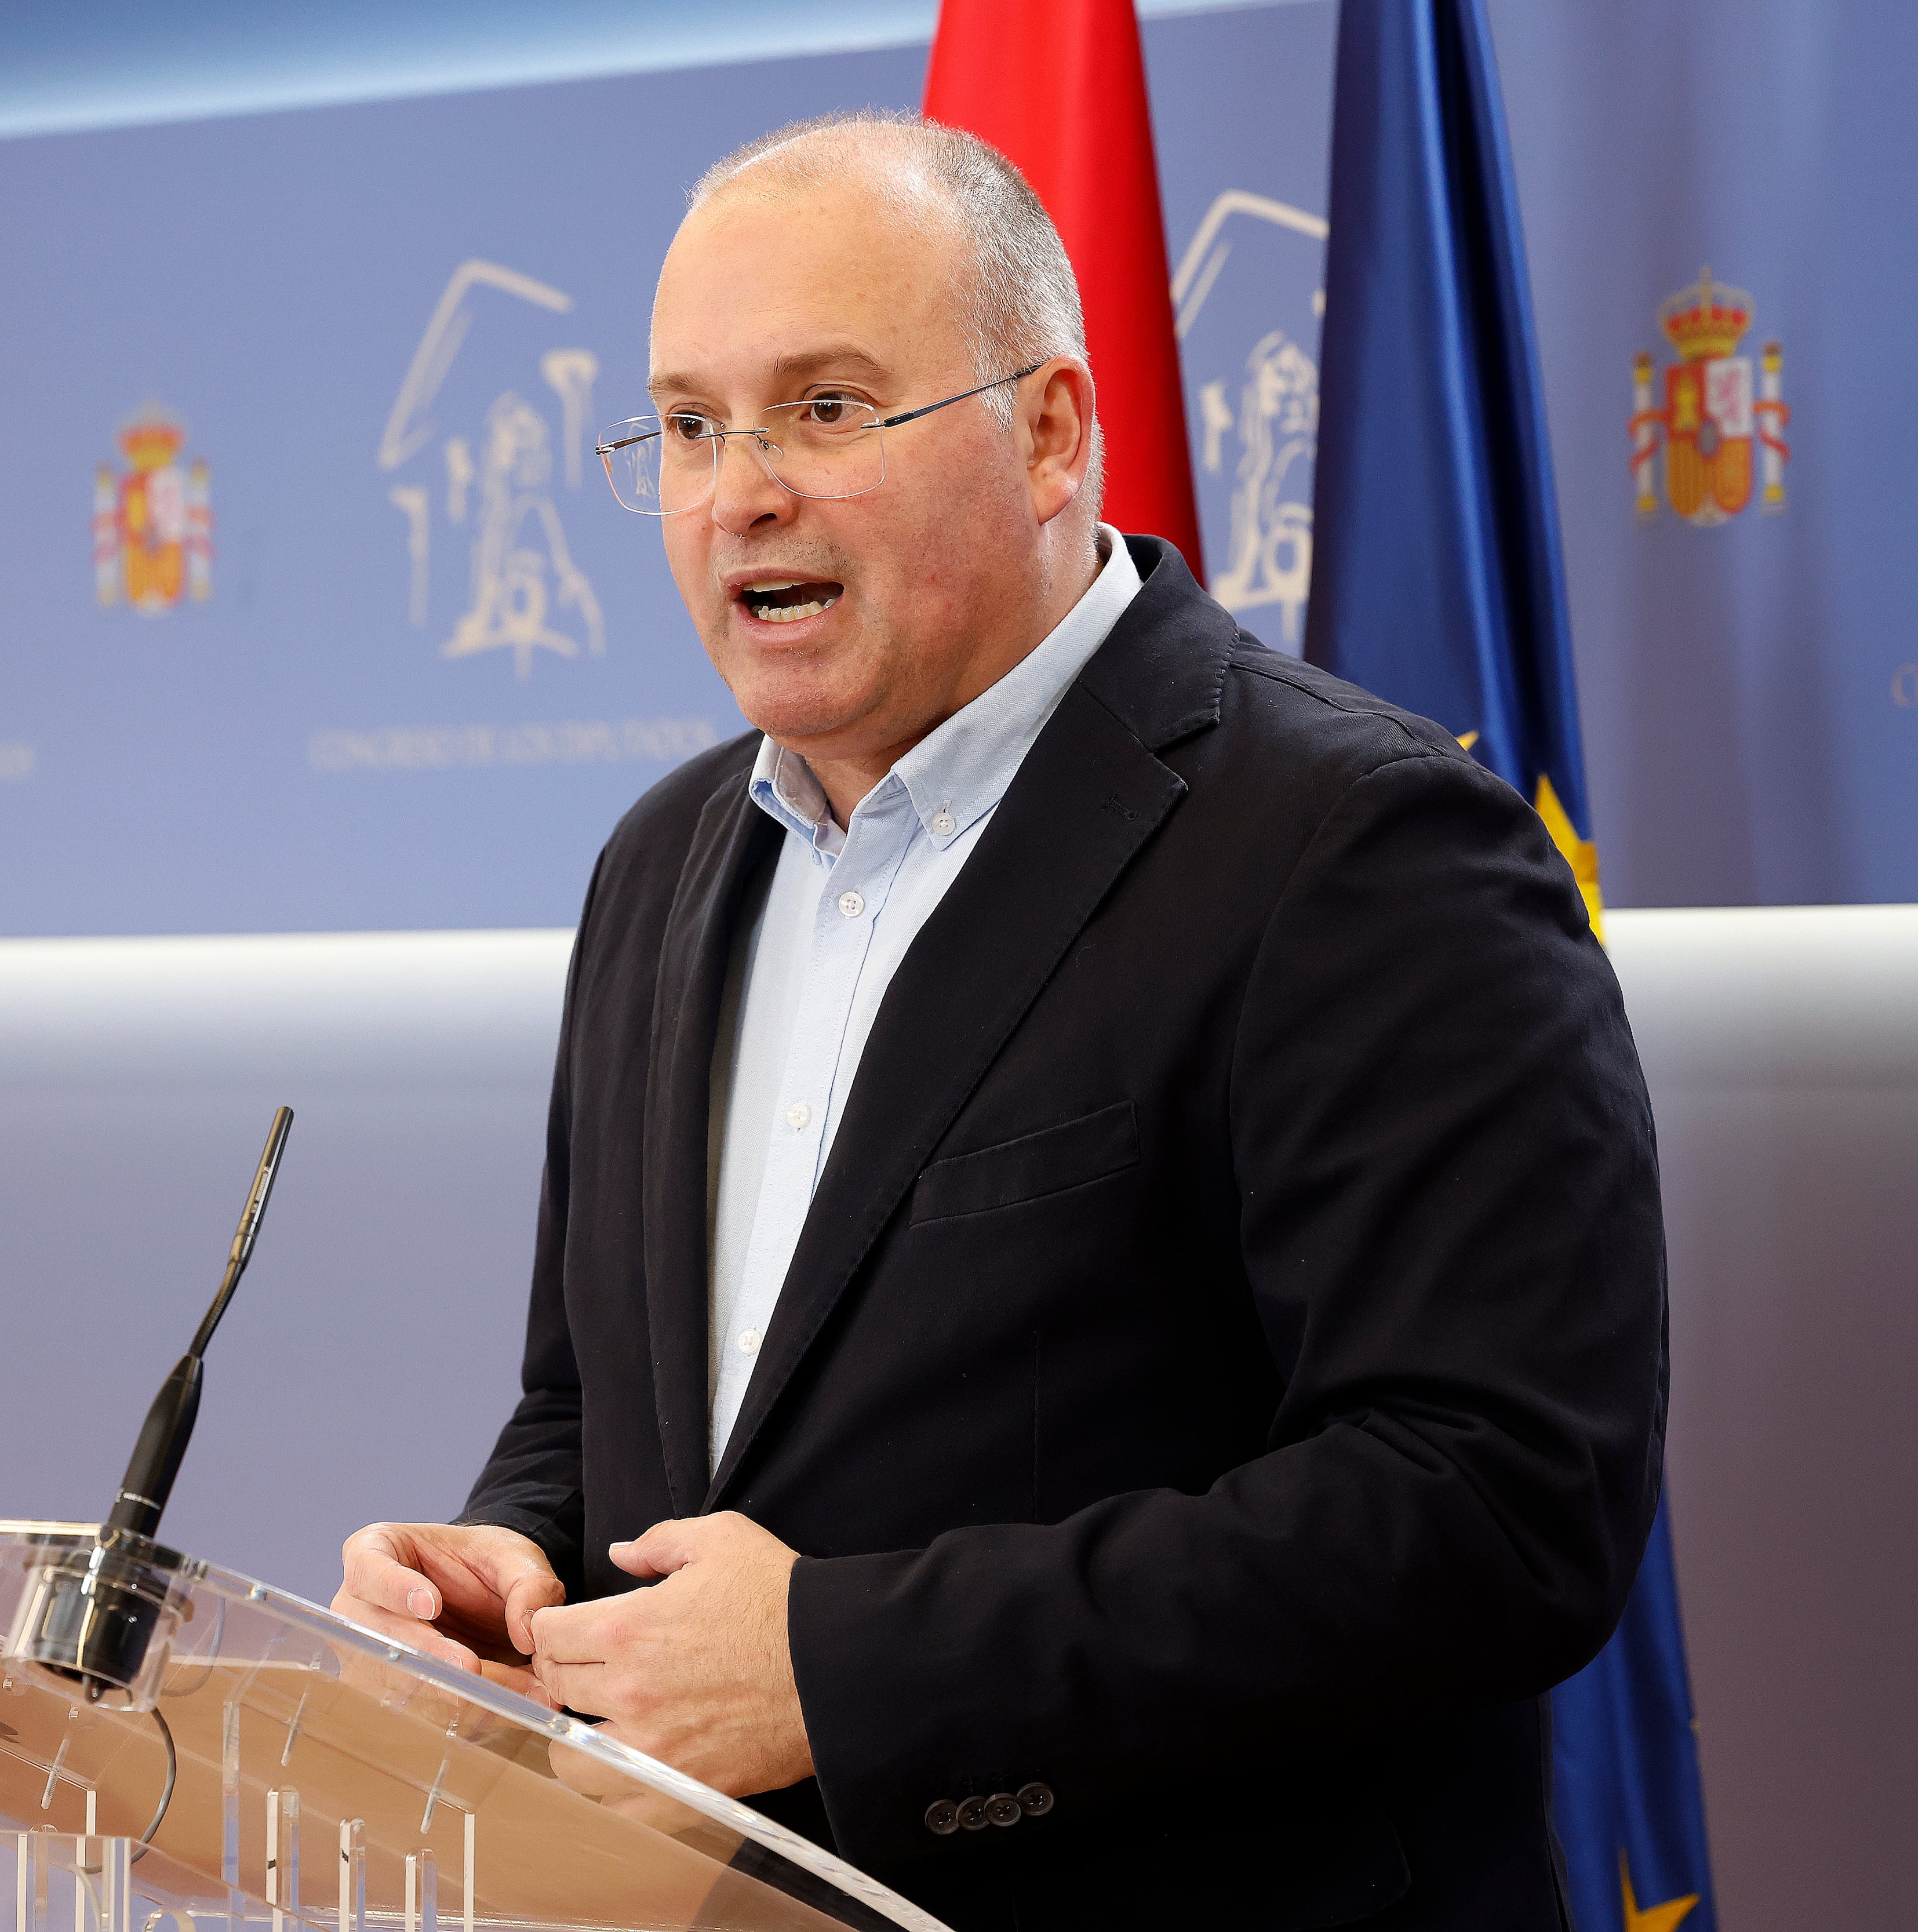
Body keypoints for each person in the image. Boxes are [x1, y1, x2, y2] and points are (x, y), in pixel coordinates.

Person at [334, 110, 1665, 1932]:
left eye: (825, 409)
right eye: (691, 425)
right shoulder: (659, 867)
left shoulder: (1356, 849)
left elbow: (1496, 1508)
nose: (741, 494)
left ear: (1046, 434)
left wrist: (843, 1665)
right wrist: (515, 1565)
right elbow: (597, 1404)